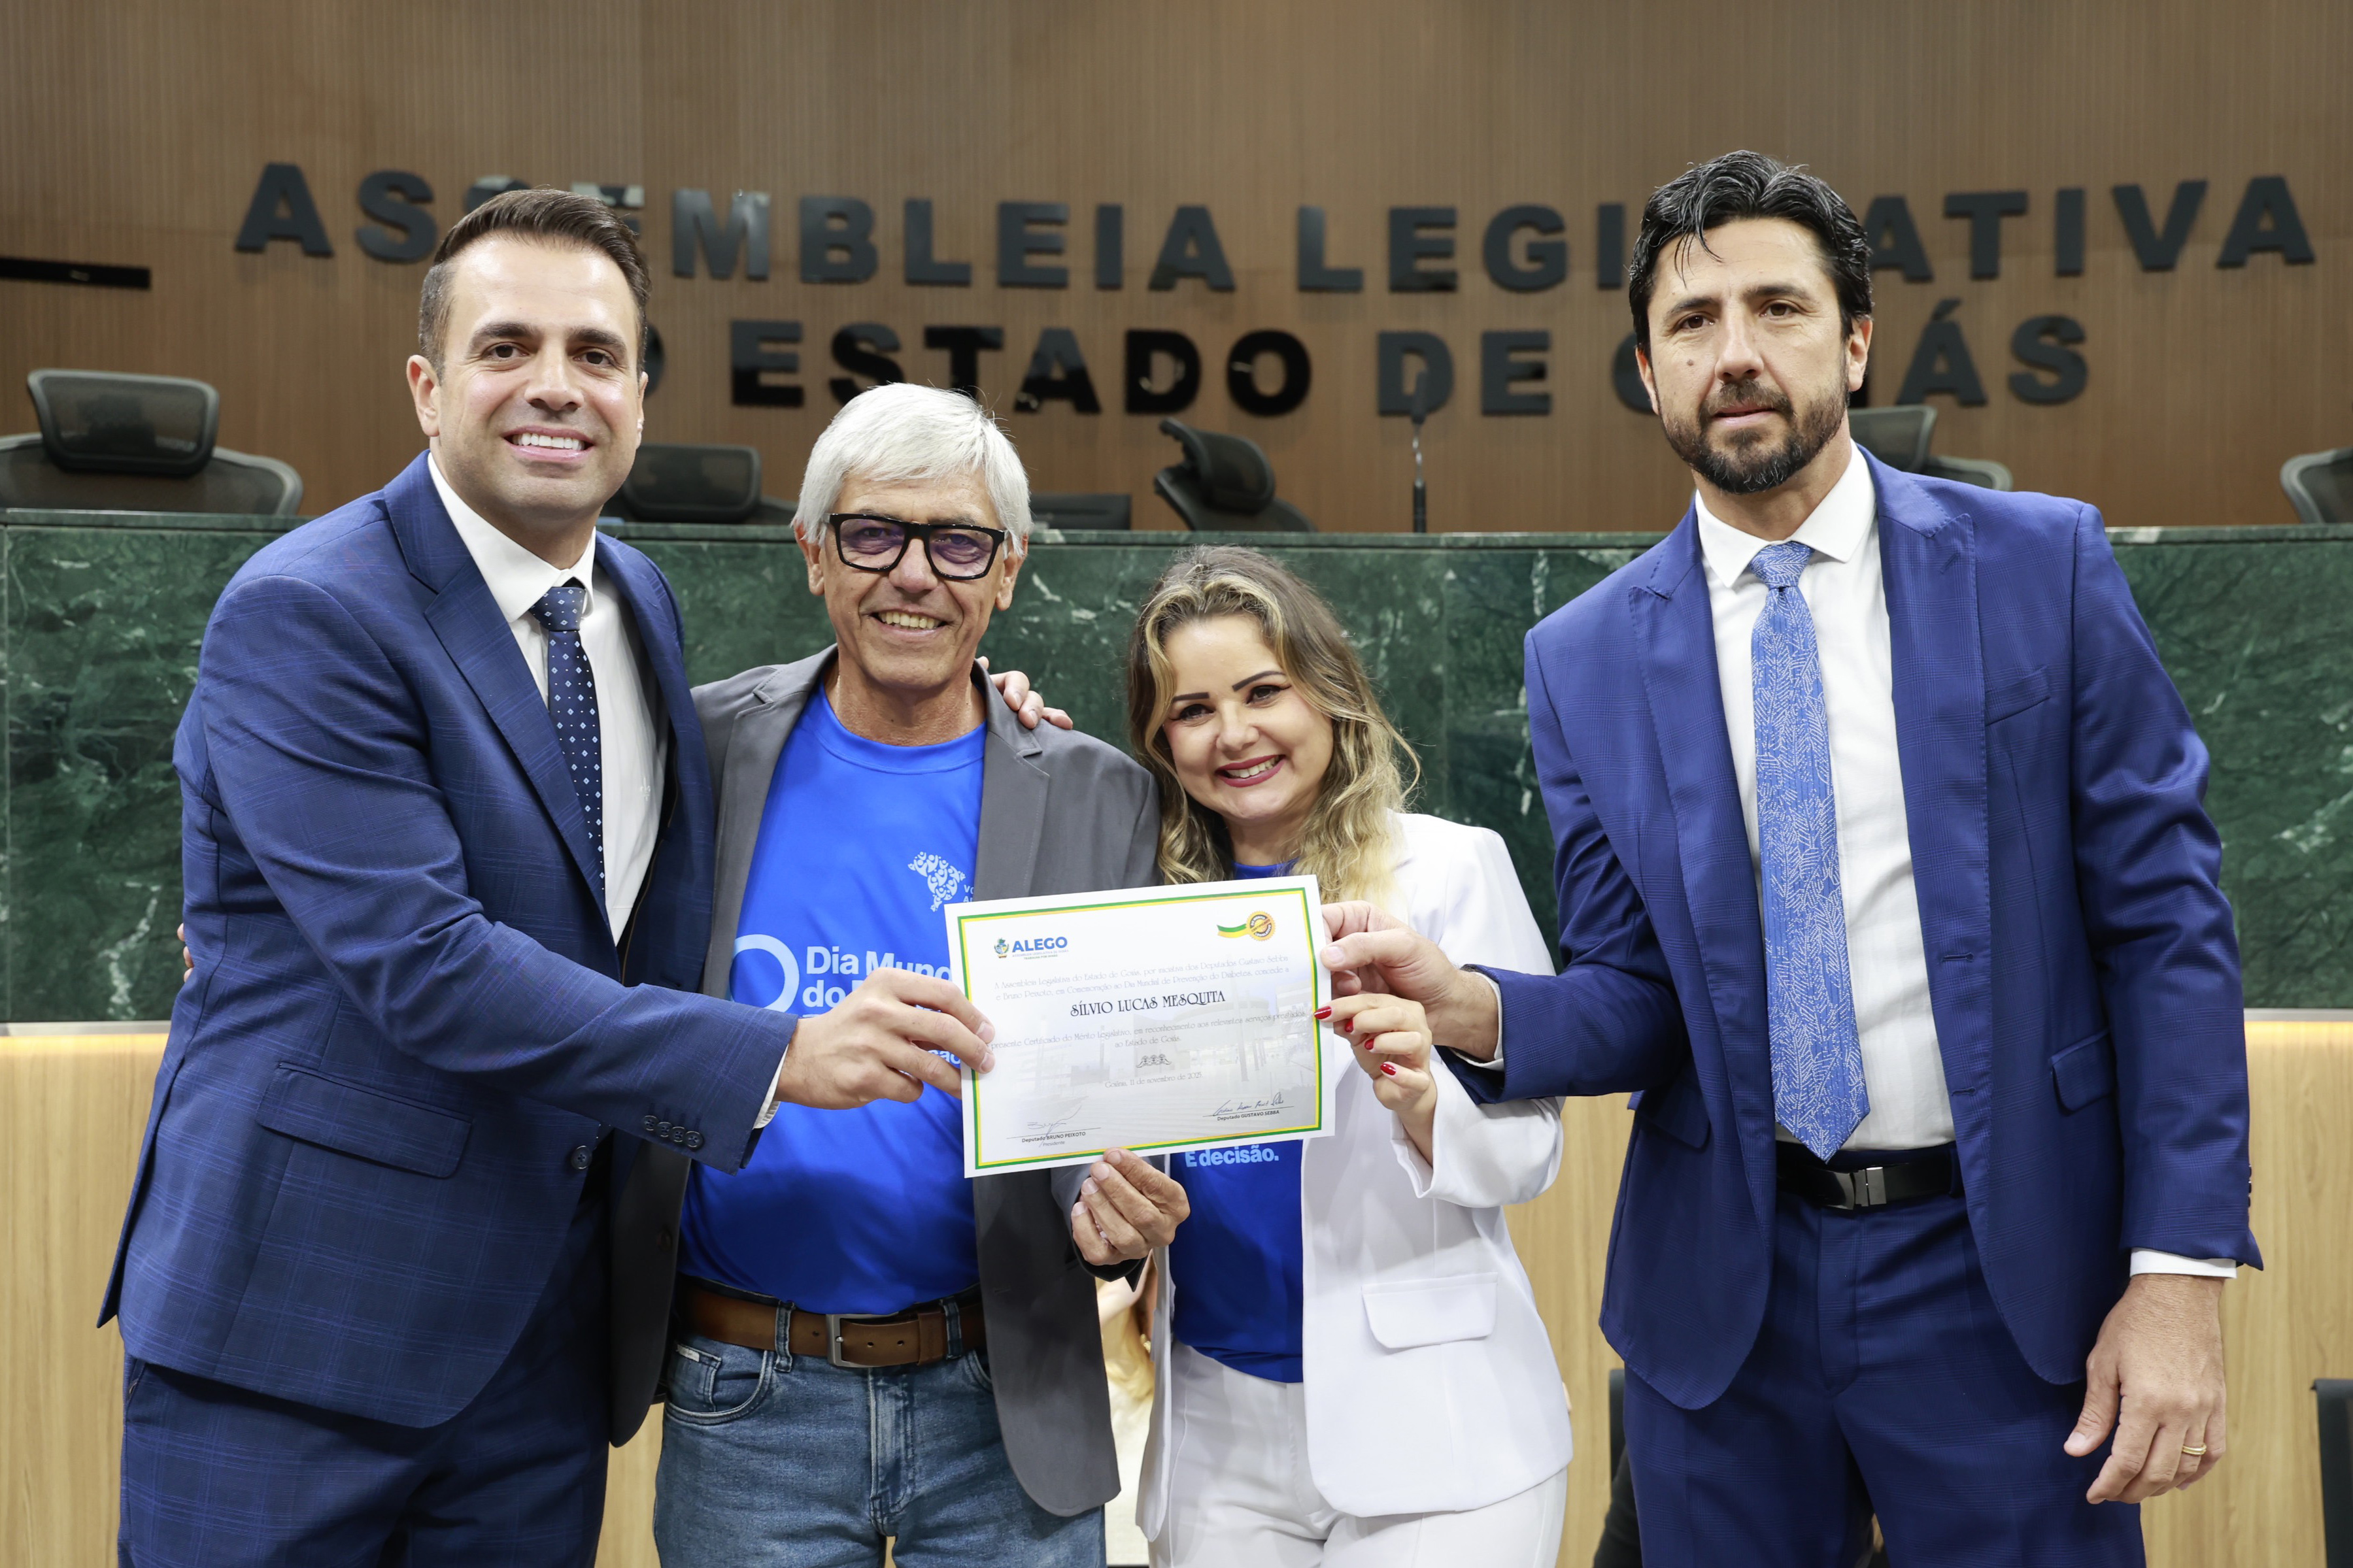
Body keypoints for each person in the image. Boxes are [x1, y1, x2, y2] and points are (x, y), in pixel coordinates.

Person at [1320, 150, 2258, 1567]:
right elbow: (1643, 994)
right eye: (1694, 323)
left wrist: (2178, 1276)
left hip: (2008, 1281)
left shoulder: (2041, 569)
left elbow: (2169, 932)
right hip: (1729, 1303)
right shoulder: (1581, 659)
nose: (1737, 354)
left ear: (1856, 341)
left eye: (1779, 309)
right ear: (1650, 372)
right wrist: (1478, 1010)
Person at [104, 191, 1052, 1567]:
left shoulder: (637, 602)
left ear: (639, 399)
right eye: (507, 347)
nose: (556, 386)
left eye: (597, 354)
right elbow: (426, 966)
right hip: (304, 1330)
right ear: (427, 387)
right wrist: (779, 1056)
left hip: (541, 1348)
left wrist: (982, 705)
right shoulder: (308, 608)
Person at [645, 382, 1193, 1567]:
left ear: (1008, 571)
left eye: (957, 543)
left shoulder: (1103, 795)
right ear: (813, 553)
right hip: (748, 1403)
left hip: (1006, 1400)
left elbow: (1127, 1086)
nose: (913, 575)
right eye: (872, 534)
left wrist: (1118, 1212)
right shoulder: (698, 752)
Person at [1125, 546, 1572, 1567]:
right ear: (1160, 741)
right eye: (1192, 710)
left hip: (1442, 1429)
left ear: (1329, 693)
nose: (1234, 733)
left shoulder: (1452, 867)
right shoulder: (1138, 901)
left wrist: (1422, 1100)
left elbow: (1529, 1153)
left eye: (1263, 692)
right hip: (1213, 1436)